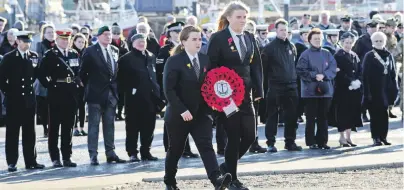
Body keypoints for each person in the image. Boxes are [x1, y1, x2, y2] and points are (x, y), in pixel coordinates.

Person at [163, 25, 232, 190]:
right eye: (194, 39)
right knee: (176, 149)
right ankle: (170, 182)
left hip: (201, 113)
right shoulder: (174, 61)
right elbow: (169, 90)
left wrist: (213, 109)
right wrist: (182, 110)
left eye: (200, 39)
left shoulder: (204, 60)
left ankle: (217, 180)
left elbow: (209, 86)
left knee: (206, 145)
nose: (198, 42)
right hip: (179, 114)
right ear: (184, 41)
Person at [207, 2, 264, 189]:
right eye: (239, 17)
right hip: (227, 97)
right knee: (233, 135)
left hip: (246, 94)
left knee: (250, 135)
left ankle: (226, 167)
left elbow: (256, 65)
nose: (242, 20)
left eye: (245, 17)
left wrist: (258, 89)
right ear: (229, 18)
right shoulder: (218, 38)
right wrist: (217, 96)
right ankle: (232, 179)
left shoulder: (249, 37)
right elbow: (211, 67)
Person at [80, 26, 126, 165]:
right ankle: (93, 154)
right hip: (95, 94)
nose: (108, 37)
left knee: (110, 126)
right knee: (93, 126)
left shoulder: (114, 50)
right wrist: (92, 87)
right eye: (105, 34)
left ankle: (110, 153)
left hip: (111, 94)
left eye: (110, 34)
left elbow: (116, 72)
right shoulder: (90, 51)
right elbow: (83, 73)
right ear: (98, 36)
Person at [0, 31, 45, 172]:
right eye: (25, 41)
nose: (28, 44)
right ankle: (12, 162)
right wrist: (10, 92)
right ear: (18, 41)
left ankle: (31, 161)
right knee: (13, 132)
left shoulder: (33, 56)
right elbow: (1, 79)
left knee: (30, 133)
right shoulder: (9, 58)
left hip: (29, 100)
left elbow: (39, 75)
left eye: (29, 41)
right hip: (14, 100)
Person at [38, 29, 80, 168]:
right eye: (62, 39)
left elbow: (78, 71)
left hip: (71, 93)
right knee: (54, 128)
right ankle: (55, 158)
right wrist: (50, 85)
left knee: (68, 127)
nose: (65, 42)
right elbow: (41, 74)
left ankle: (67, 157)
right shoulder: (50, 55)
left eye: (67, 40)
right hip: (56, 93)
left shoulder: (74, 53)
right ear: (56, 40)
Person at [118, 34, 162, 162]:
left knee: (149, 127)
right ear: (133, 43)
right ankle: (132, 153)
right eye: (139, 41)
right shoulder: (126, 59)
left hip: (150, 98)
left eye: (143, 41)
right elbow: (121, 80)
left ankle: (146, 151)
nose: (142, 44)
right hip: (134, 100)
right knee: (132, 127)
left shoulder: (151, 56)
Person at [157, 21, 199, 158]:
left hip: (185, 90)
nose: (177, 34)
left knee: (186, 120)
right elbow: (159, 72)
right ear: (169, 34)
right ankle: (169, 147)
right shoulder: (164, 50)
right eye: (175, 32)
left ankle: (185, 149)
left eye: (179, 32)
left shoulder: (188, 49)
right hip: (170, 90)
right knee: (171, 121)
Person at [261, 19, 302, 153]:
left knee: (292, 116)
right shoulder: (269, 48)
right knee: (272, 115)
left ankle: (290, 142)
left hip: (291, 86)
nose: (284, 32)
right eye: (281, 30)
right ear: (276, 31)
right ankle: (271, 143)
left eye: (286, 30)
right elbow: (264, 70)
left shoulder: (292, 46)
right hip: (275, 87)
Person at [296, 28, 337, 150]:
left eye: (320, 38)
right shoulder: (305, 54)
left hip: (325, 90)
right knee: (310, 118)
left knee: (323, 117)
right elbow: (301, 70)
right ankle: (311, 141)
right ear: (309, 40)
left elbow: (333, 68)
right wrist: (315, 75)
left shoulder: (327, 53)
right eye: (315, 39)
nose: (318, 41)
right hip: (310, 92)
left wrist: (324, 75)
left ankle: (322, 141)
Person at [362, 32, 398, 146]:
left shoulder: (389, 55)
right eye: (376, 41)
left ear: (384, 42)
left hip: (386, 91)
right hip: (374, 90)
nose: (379, 43)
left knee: (384, 115)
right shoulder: (369, 56)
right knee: (375, 115)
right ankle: (376, 137)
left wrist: (394, 89)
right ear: (372, 42)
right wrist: (367, 93)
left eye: (381, 41)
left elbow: (393, 74)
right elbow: (365, 75)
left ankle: (384, 137)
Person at [329, 32, 363, 147]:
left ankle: (349, 137)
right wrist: (350, 81)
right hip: (342, 89)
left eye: (350, 43)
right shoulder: (338, 55)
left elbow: (359, 70)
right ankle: (342, 137)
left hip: (354, 90)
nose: (348, 45)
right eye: (346, 42)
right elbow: (338, 72)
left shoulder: (354, 55)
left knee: (352, 113)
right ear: (342, 42)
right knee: (342, 114)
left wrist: (358, 81)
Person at [352, 19, 379, 123]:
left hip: (376, 71)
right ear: (367, 28)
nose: (373, 30)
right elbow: (355, 55)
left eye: (375, 28)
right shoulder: (362, 40)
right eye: (371, 28)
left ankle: (373, 113)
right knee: (364, 94)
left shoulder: (379, 39)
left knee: (375, 93)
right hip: (364, 71)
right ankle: (363, 113)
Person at [34, 24, 56, 138]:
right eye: (48, 32)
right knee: (43, 105)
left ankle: (53, 127)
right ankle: (45, 128)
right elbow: (40, 60)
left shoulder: (57, 45)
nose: (51, 34)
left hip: (55, 78)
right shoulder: (41, 45)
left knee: (54, 105)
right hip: (43, 78)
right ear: (44, 34)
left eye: (52, 32)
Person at [111, 23, 129, 121]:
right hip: (113, 70)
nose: (116, 34)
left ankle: (120, 112)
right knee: (113, 93)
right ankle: (113, 112)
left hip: (122, 71)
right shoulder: (109, 43)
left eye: (118, 33)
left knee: (122, 93)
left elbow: (127, 53)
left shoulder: (123, 42)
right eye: (114, 32)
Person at [72, 33, 88, 136]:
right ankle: (74, 128)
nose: (81, 44)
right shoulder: (72, 53)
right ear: (74, 42)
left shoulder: (87, 53)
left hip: (85, 83)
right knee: (74, 106)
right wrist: (78, 80)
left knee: (83, 106)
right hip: (74, 83)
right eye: (79, 42)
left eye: (83, 42)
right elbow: (73, 70)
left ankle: (82, 127)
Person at [294, 27, 311, 123]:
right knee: (300, 95)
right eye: (305, 34)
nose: (307, 36)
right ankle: (298, 114)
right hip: (300, 75)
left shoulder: (310, 45)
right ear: (301, 36)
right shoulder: (298, 46)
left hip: (310, 75)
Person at [383, 18, 399, 118]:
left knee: (394, 89)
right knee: (384, 89)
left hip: (393, 65)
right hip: (384, 66)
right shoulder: (382, 36)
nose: (394, 29)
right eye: (392, 27)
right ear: (387, 27)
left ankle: (390, 108)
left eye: (395, 27)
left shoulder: (394, 38)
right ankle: (384, 110)